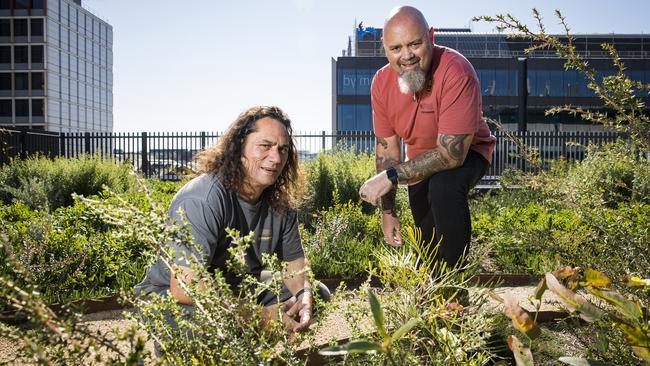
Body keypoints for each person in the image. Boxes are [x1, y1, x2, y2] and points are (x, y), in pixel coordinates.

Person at [135, 106, 329, 340]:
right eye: (265, 146)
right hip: (176, 297)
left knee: (318, 294)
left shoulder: (281, 205)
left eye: (283, 149)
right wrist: (261, 316)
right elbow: (186, 287)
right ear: (239, 148)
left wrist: (304, 295)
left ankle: (254, 342)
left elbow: (295, 269)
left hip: (240, 289)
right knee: (206, 326)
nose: (276, 158)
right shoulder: (202, 199)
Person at [358, 6, 496, 268]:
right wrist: (388, 212)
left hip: (468, 153)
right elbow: (388, 154)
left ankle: (453, 282)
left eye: (415, 44)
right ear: (385, 48)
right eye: (396, 48)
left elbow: (451, 155)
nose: (406, 56)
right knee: (427, 241)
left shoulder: (456, 71)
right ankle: (430, 286)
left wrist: (391, 177)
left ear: (431, 36)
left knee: (443, 186)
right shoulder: (380, 83)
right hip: (418, 163)